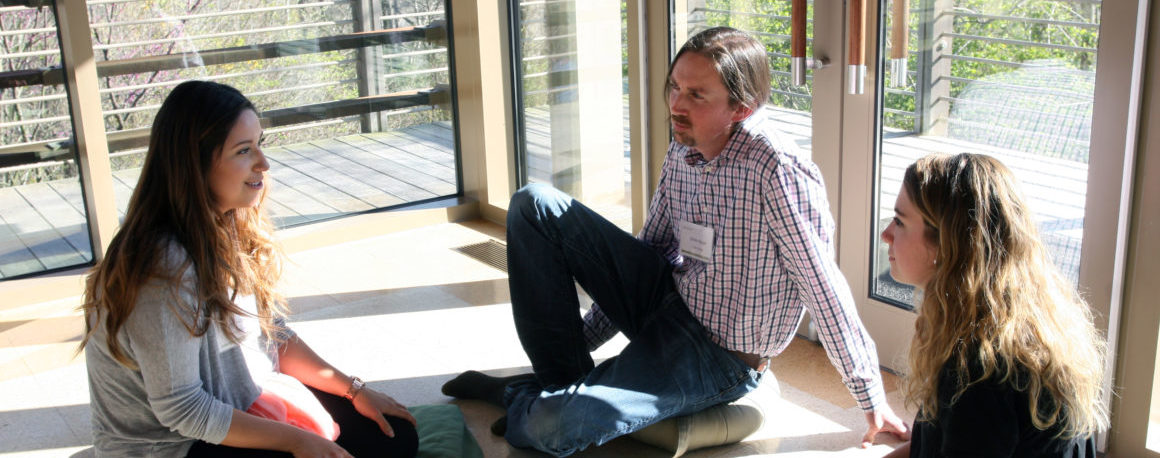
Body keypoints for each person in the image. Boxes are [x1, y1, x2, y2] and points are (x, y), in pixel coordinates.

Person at [442, 27, 908, 456]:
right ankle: (561, 384)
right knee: (534, 203)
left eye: (696, 94)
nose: (676, 105)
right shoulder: (684, 146)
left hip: (719, 355)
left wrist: (871, 397)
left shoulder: (778, 172)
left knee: (550, 429)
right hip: (668, 300)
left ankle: (526, 399)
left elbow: (823, 286)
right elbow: (652, 249)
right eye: (675, 88)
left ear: (741, 108)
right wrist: (578, 342)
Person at [80, 80, 419, 458]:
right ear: (195, 165)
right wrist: (298, 440)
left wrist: (353, 389)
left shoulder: (229, 223)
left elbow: (271, 337)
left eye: (260, 143)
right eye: (244, 151)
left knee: (394, 436)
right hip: (176, 445)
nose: (264, 163)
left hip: (243, 399)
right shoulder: (161, 267)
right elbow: (182, 408)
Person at [879, 153, 1108, 457]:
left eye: (899, 222)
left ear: (947, 245)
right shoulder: (1014, 322)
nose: (886, 235)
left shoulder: (979, 372)